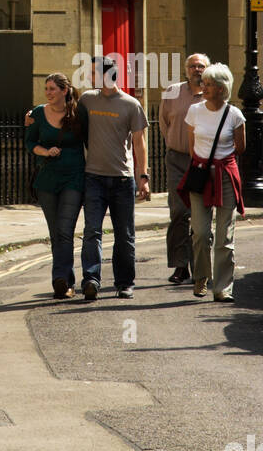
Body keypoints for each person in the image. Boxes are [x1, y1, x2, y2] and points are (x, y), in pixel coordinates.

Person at [77, 55, 150, 301]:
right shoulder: (87, 99)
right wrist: (34, 113)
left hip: (122, 180)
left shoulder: (131, 104)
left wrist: (143, 176)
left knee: (125, 235)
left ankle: (125, 283)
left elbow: (140, 143)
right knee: (91, 232)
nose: (89, 77)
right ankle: (91, 280)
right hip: (93, 177)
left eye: (93, 73)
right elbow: (63, 110)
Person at [178, 62, 246, 301]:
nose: (203, 86)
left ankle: (223, 288)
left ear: (221, 88)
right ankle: (201, 276)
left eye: (208, 84)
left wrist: (219, 163)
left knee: (225, 235)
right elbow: (191, 146)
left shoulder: (235, 115)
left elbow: (240, 147)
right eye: (203, 83)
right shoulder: (195, 111)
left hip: (226, 175)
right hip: (200, 174)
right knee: (200, 231)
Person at [25, 73, 85, 299]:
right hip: (47, 180)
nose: (48, 93)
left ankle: (62, 280)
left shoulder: (78, 113)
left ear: (64, 90)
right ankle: (64, 280)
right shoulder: (38, 113)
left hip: (74, 177)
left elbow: (92, 136)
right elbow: (30, 142)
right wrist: (45, 151)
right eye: (46, 88)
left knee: (65, 230)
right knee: (55, 232)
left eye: (52, 89)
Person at [159, 53, 208, 284]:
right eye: (193, 66)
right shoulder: (171, 91)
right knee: (178, 212)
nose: (196, 69)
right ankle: (180, 266)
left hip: (203, 161)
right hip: (177, 159)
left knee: (200, 214)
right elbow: (163, 123)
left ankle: (201, 266)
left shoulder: (213, 93)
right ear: (186, 69)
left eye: (201, 66)